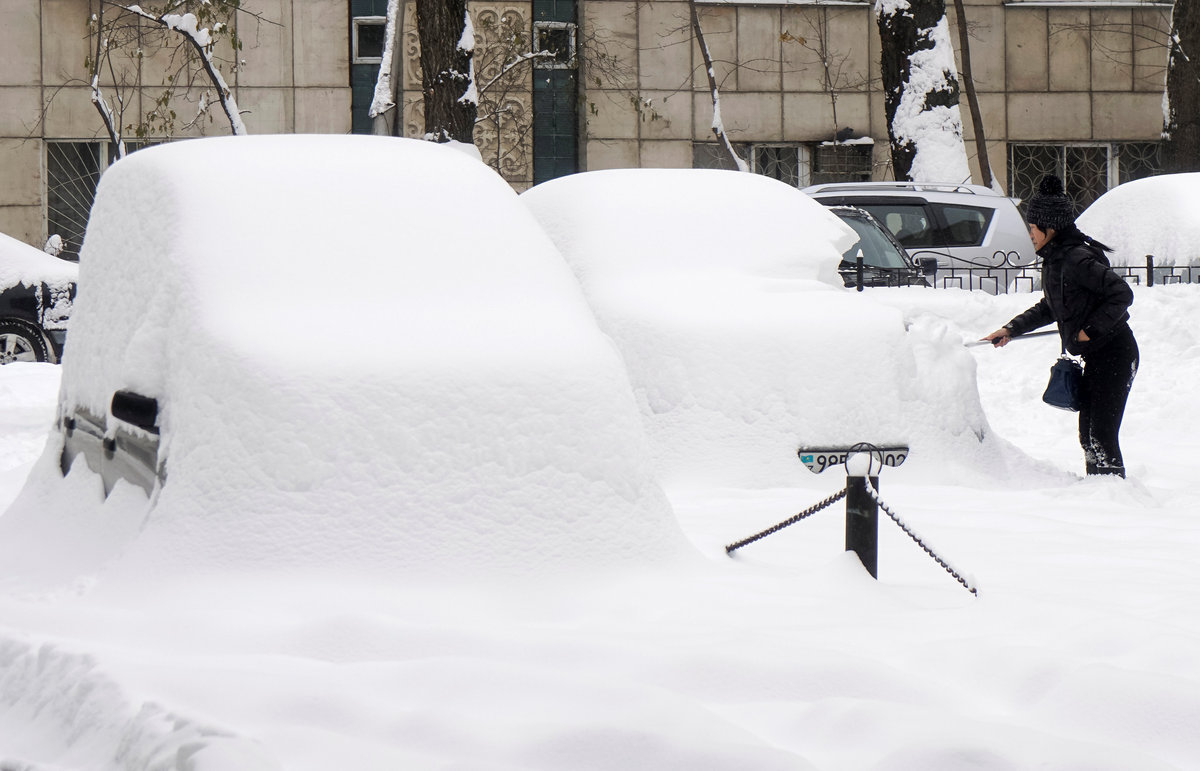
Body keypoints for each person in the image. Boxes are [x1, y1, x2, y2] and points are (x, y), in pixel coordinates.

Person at [981, 175, 1138, 478]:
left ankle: (1115, 499)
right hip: (1096, 357)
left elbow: (1122, 294)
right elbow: (1051, 306)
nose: (1030, 235)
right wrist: (1011, 329)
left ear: (1048, 228)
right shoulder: (1055, 260)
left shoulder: (1077, 259)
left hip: (1116, 353)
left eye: (1032, 229)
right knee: (1088, 436)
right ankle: (1100, 491)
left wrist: (1088, 331)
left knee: (1101, 435)